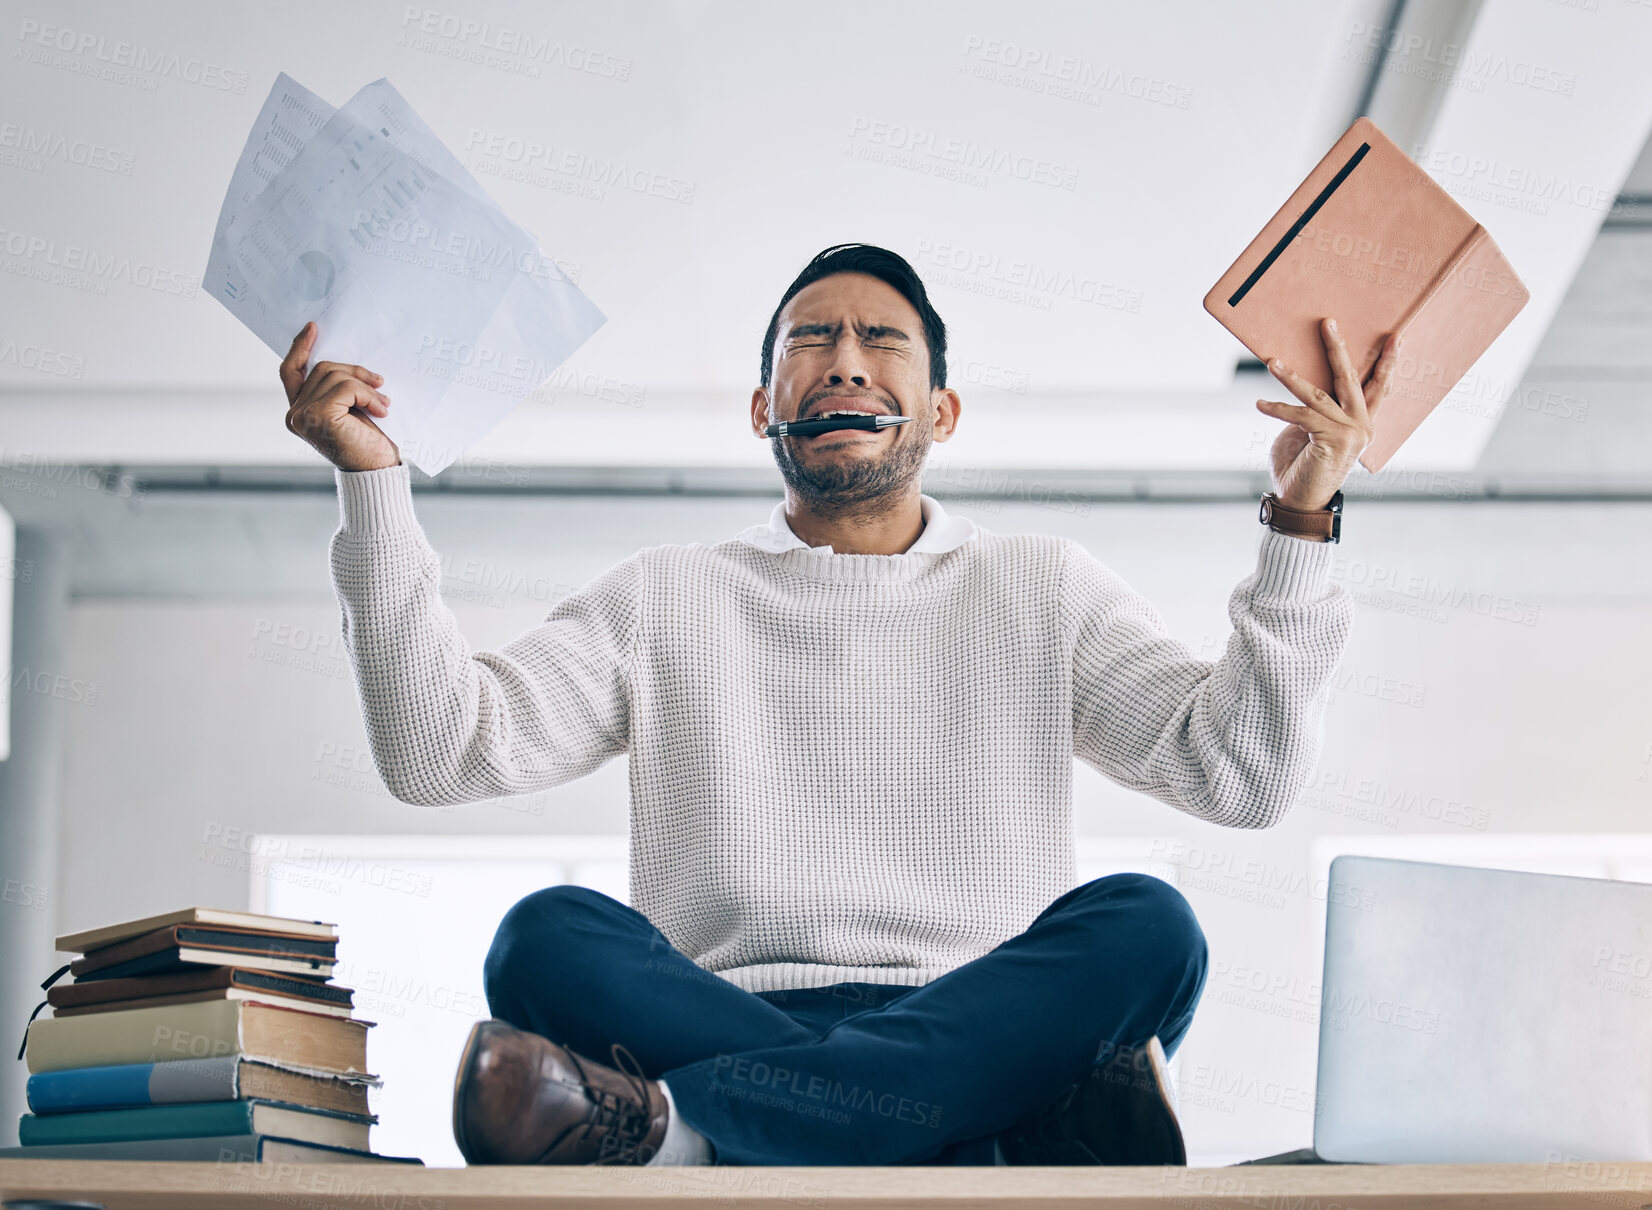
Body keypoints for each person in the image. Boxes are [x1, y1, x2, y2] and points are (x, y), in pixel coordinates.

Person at [279, 243, 1394, 1168]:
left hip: (977, 1018)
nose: (844, 362)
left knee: (1149, 926)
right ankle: (976, 1142)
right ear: (764, 405)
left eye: (880, 342)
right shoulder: (665, 594)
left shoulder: (1040, 584)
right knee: (546, 938)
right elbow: (439, 752)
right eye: (811, 342)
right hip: (735, 1012)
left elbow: (1237, 777)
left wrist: (1301, 518)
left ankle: (694, 1130)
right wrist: (371, 483)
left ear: (940, 410)